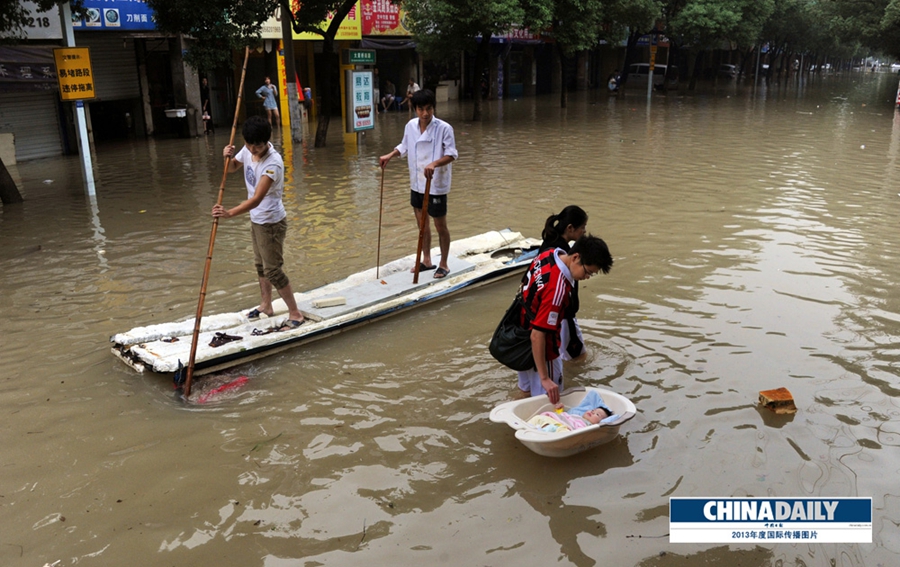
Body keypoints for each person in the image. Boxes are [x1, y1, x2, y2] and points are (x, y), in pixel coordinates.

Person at [211, 115, 304, 330]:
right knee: (260, 266)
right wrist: (227, 157)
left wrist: (229, 213)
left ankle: (295, 313)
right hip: (257, 219)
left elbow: (257, 199)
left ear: (267, 142)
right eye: (249, 145)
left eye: (258, 146)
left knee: (273, 270)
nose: (253, 150)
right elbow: (233, 167)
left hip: (271, 222)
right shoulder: (249, 148)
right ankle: (266, 305)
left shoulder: (273, 163)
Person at [515, 235, 613, 405]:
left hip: (522, 340)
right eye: (588, 272)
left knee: (526, 392)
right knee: (549, 401)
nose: (587, 277)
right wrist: (545, 378)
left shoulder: (548, 254)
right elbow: (538, 336)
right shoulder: (557, 288)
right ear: (576, 257)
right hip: (543, 349)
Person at [379, 89, 458, 278]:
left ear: (433, 108)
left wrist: (434, 163)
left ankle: (444, 264)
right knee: (422, 225)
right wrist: (390, 155)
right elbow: (404, 146)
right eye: (421, 109)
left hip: (436, 184)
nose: (425, 113)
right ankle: (427, 260)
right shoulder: (410, 126)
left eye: (429, 109)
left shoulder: (444, 128)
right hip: (416, 183)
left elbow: (452, 154)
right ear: (414, 109)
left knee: (440, 226)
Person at [539, 206, 589, 370]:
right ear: (570, 228)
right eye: (582, 228)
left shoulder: (548, 244)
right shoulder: (562, 252)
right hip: (561, 313)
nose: (584, 231)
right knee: (579, 359)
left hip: (548, 312)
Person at [526, 390, 618, 432]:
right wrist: (559, 410)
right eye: (593, 410)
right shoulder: (575, 415)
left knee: (563, 432)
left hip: (562, 428)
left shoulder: (588, 427)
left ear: (600, 422)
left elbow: (576, 431)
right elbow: (562, 416)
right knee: (538, 418)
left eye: (597, 414)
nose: (592, 412)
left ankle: (543, 431)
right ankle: (529, 427)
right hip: (554, 421)